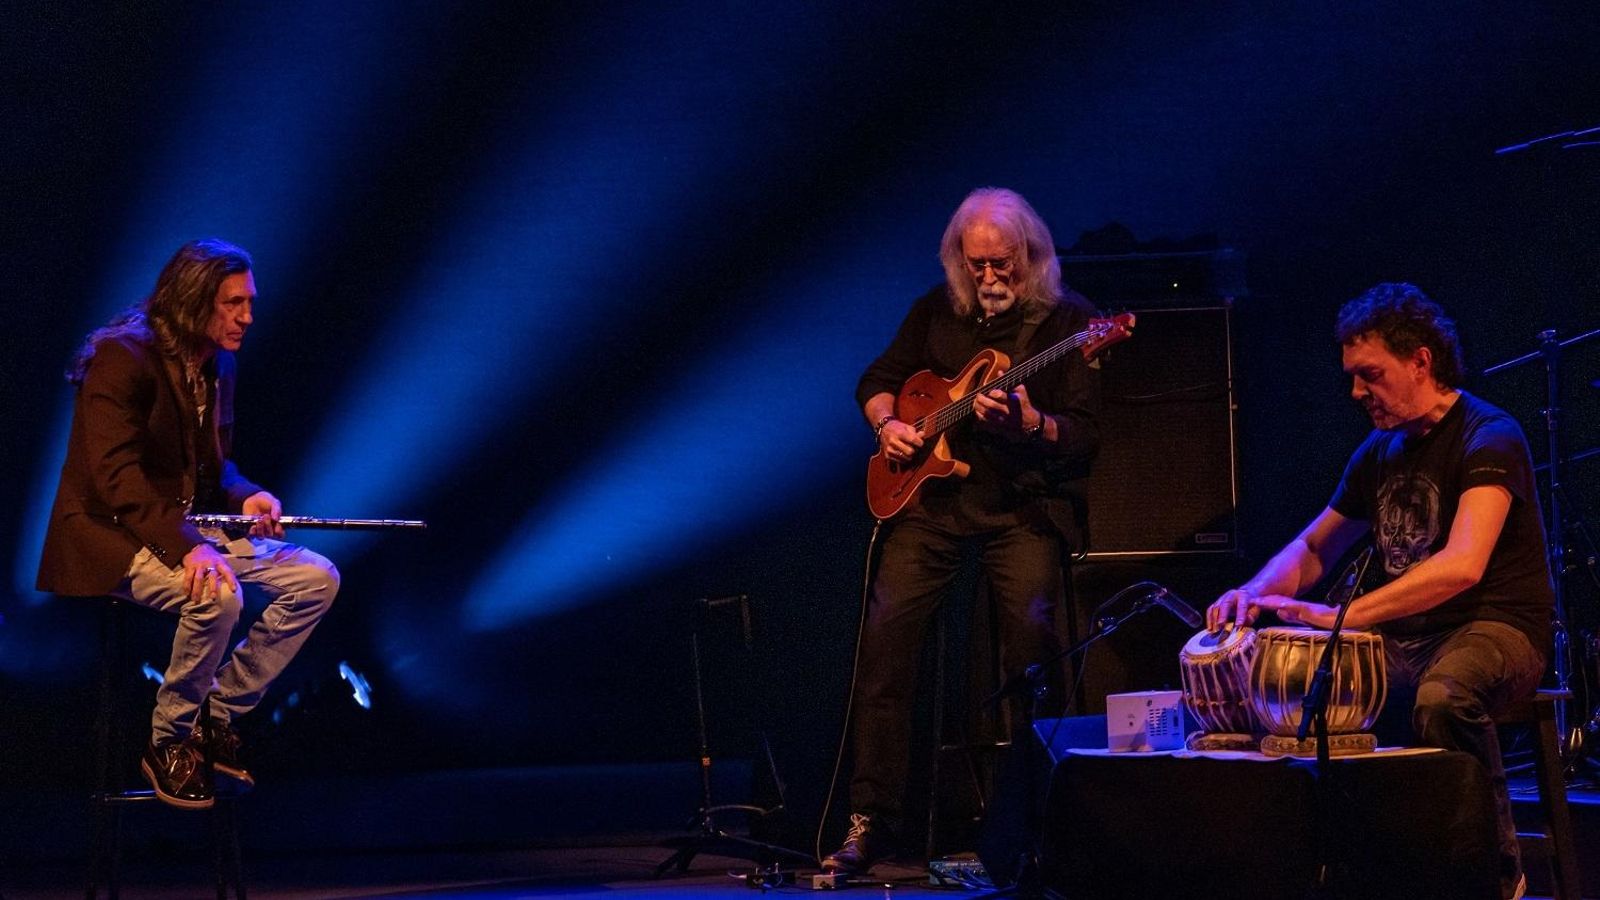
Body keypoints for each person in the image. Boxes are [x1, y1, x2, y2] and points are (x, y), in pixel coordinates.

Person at [1205, 283, 1552, 900]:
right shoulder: (1381, 450)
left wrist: (1342, 616)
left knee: (1443, 698)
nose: (1357, 392)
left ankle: (1496, 875)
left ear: (1421, 360)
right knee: (1298, 693)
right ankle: (1367, 868)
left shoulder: (1490, 434)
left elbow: (1461, 566)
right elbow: (1315, 548)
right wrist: (1252, 592)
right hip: (1406, 638)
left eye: (1370, 374)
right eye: (1352, 377)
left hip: (1495, 628)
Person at [825, 188, 1100, 874]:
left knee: (1033, 644)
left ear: (1030, 257)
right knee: (886, 643)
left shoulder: (1071, 326)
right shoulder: (935, 312)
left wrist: (1031, 425)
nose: (988, 278)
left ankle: (1041, 820)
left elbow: (1087, 439)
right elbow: (876, 380)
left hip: (1022, 510)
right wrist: (889, 426)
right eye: (975, 264)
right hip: (933, 507)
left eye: (1002, 264)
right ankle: (871, 820)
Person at [38, 239, 340, 810]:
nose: (247, 316)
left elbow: (212, 463)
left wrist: (246, 495)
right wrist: (188, 550)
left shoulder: (216, 363)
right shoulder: (123, 357)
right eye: (233, 303)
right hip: (109, 533)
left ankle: (216, 716)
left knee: (317, 579)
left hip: (180, 527)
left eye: (249, 302)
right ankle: (168, 740)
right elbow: (115, 477)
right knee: (217, 595)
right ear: (194, 299)